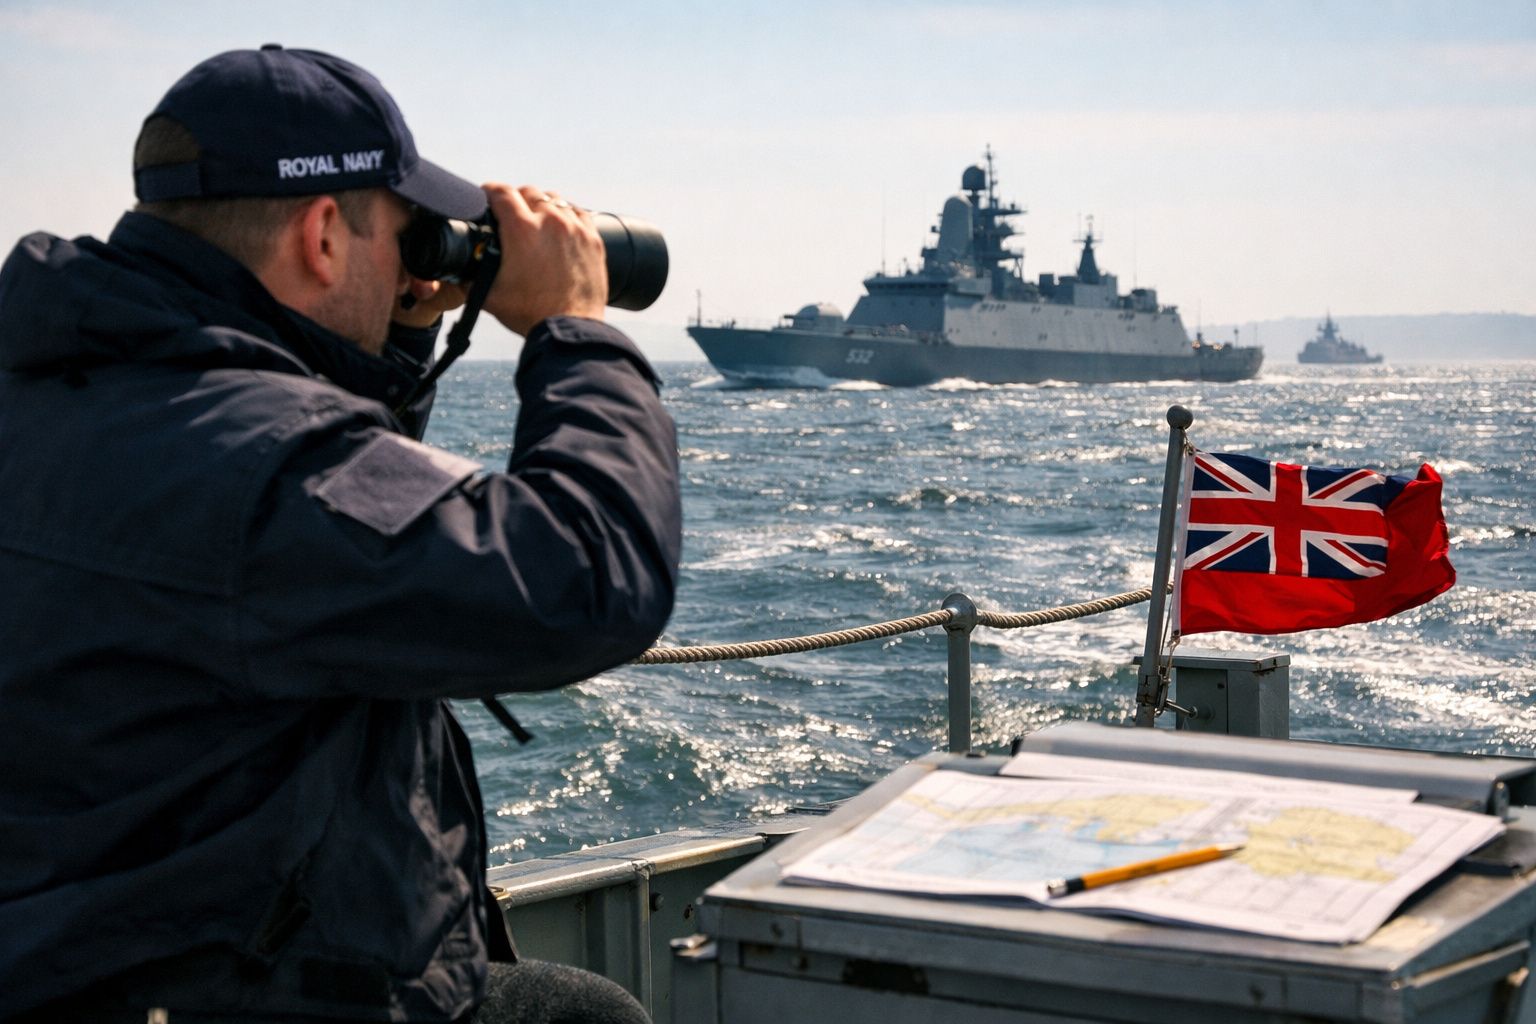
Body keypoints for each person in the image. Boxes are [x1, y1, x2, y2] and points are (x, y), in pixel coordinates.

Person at [0, 45, 681, 1024]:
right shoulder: (256, 464)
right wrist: (577, 332)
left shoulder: (77, 380)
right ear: (323, 235)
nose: (415, 253)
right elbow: (589, 580)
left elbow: (325, 544)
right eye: (402, 230)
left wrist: (393, 340)